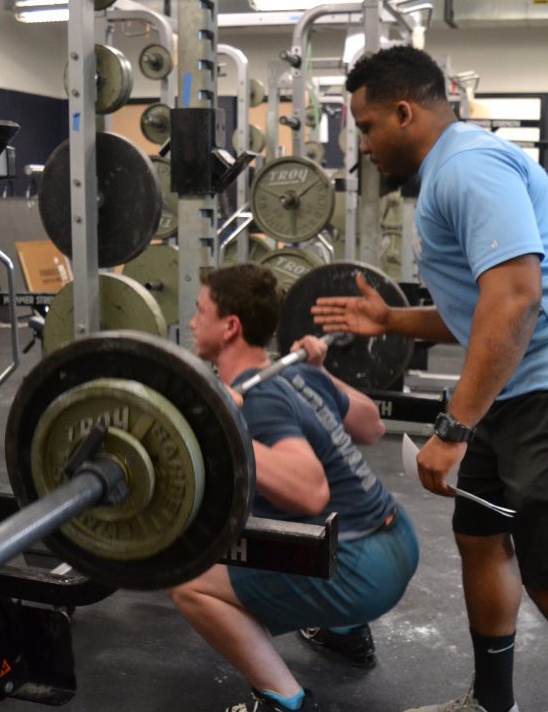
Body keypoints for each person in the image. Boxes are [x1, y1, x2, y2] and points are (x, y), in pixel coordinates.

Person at [313, 46, 548, 712]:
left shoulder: (466, 166)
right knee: (479, 535)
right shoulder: (450, 168)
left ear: (404, 112)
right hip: (517, 385)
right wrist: (391, 319)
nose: (364, 146)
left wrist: (453, 428)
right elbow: (481, 309)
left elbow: (516, 299)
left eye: (367, 127)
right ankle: (492, 702)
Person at [169, 263, 420, 712]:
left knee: (190, 582)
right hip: (398, 540)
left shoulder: (256, 399)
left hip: (358, 567)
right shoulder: (297, 374)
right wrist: (322, 370)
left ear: (230, 326)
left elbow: (310, 492)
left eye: (200, 311)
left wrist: (225, 427)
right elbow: (373, 425)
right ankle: (343, 633)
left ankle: (282, 700)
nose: (191, 321)